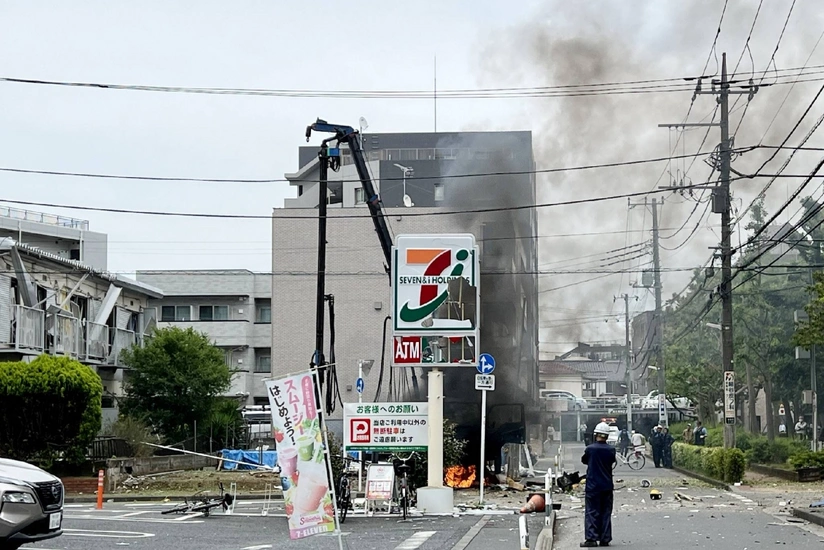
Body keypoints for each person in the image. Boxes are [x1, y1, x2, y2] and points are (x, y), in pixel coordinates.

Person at [580, 422, 616, 548]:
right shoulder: (611, 450)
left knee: (592, 511)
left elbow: (584, 460)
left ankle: (591, 538)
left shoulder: (590, 449)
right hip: (607, 485)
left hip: (593, 486)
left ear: (596, 434)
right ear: (607, 436)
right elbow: (612, 461)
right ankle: (605, 538)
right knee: (606, 511)